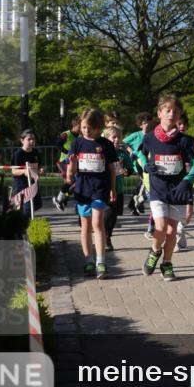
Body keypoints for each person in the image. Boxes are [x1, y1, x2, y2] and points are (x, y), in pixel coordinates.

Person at [137, 94, 194, 282]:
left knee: (172, 231)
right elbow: (139, 155)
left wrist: (186, 182)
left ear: (179, 116)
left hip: (178, 190)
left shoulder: (185, 141)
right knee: (161, 227)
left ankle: (167, 263)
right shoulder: (149, 138)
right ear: (159, 113)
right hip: (158, 189)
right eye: (168, 110)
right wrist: (145, 166)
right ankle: (155, 251)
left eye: (176, 111)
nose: (171, 114)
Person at [64, 109, 119, 280]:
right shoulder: (77, 143)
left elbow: (111, 169)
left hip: (100, 189)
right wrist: (71, 165)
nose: (87, 131)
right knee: (85, 225)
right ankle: (88, 259)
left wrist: (113, 188)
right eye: (84, 127)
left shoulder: (106, 145)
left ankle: (101, 261)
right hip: (82, 190)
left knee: (97, 223)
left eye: (91, 128)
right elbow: (70, 173)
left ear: (99, 127)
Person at [103, 126, 133, 252]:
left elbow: (130, 169)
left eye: (118, 137)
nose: (116, 140)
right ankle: (105, 236)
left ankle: (108, 235)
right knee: (108, 212)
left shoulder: (122, 154)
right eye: (113, 137)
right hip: (105, 188)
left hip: (119, 188)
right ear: (106, 138)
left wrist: (127, 171)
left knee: (114, 215)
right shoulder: (102, 153)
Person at [10, 128, 43, 223]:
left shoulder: (36, 152)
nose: (32, 141)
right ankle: (24, 228)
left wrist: (40, 170)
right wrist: (24, 171)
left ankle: (21, 219)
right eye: (29, 139)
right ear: (22, 140)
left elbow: (38, 166)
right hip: (22, 186)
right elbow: (13, 171)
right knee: (27, 209)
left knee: (37, 205)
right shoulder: (18, 154)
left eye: (33, 139)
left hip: (33, 184)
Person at [124, 112, 153, 216]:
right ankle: (138, 202)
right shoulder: (136, 135)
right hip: (139, 163)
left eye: (148, 123)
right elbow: (123, 142)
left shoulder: (153, 135)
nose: (147, 125)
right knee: (145, 183)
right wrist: (131, 150)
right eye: (144, 123)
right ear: (140, 124)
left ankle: (135, 204)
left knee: (143, 184)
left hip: (149, 162)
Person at [52, 117, 81, 211]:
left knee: (77, 182)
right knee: (70, 181)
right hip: (64, 161)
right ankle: (60, 199)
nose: (81, 129)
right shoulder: (66, 134)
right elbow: (58, 145)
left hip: (75, 161)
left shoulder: (80, 137)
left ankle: (63, 199)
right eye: (80, 127)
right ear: (74, 126)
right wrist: (68, 152)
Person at [175, 111, 194, 251]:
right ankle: (176, 237)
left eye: (184, 124)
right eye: (179, 124)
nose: (182, 126)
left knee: (188, 214)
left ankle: (181, 228)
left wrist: (193, 168)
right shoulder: (169, 141)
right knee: (175, 212)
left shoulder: (190, 140)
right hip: (174, 181)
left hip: (186, 180)